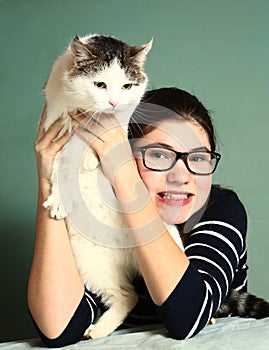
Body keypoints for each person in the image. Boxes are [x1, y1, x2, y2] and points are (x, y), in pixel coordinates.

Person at [28, 87, 247, 347]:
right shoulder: (95, 211)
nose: (181, 176)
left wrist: (126, 179)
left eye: (198, 157)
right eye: (158, 155)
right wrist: (50, 182)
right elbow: (59, 329)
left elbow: (188, 317)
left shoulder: (220, 208)